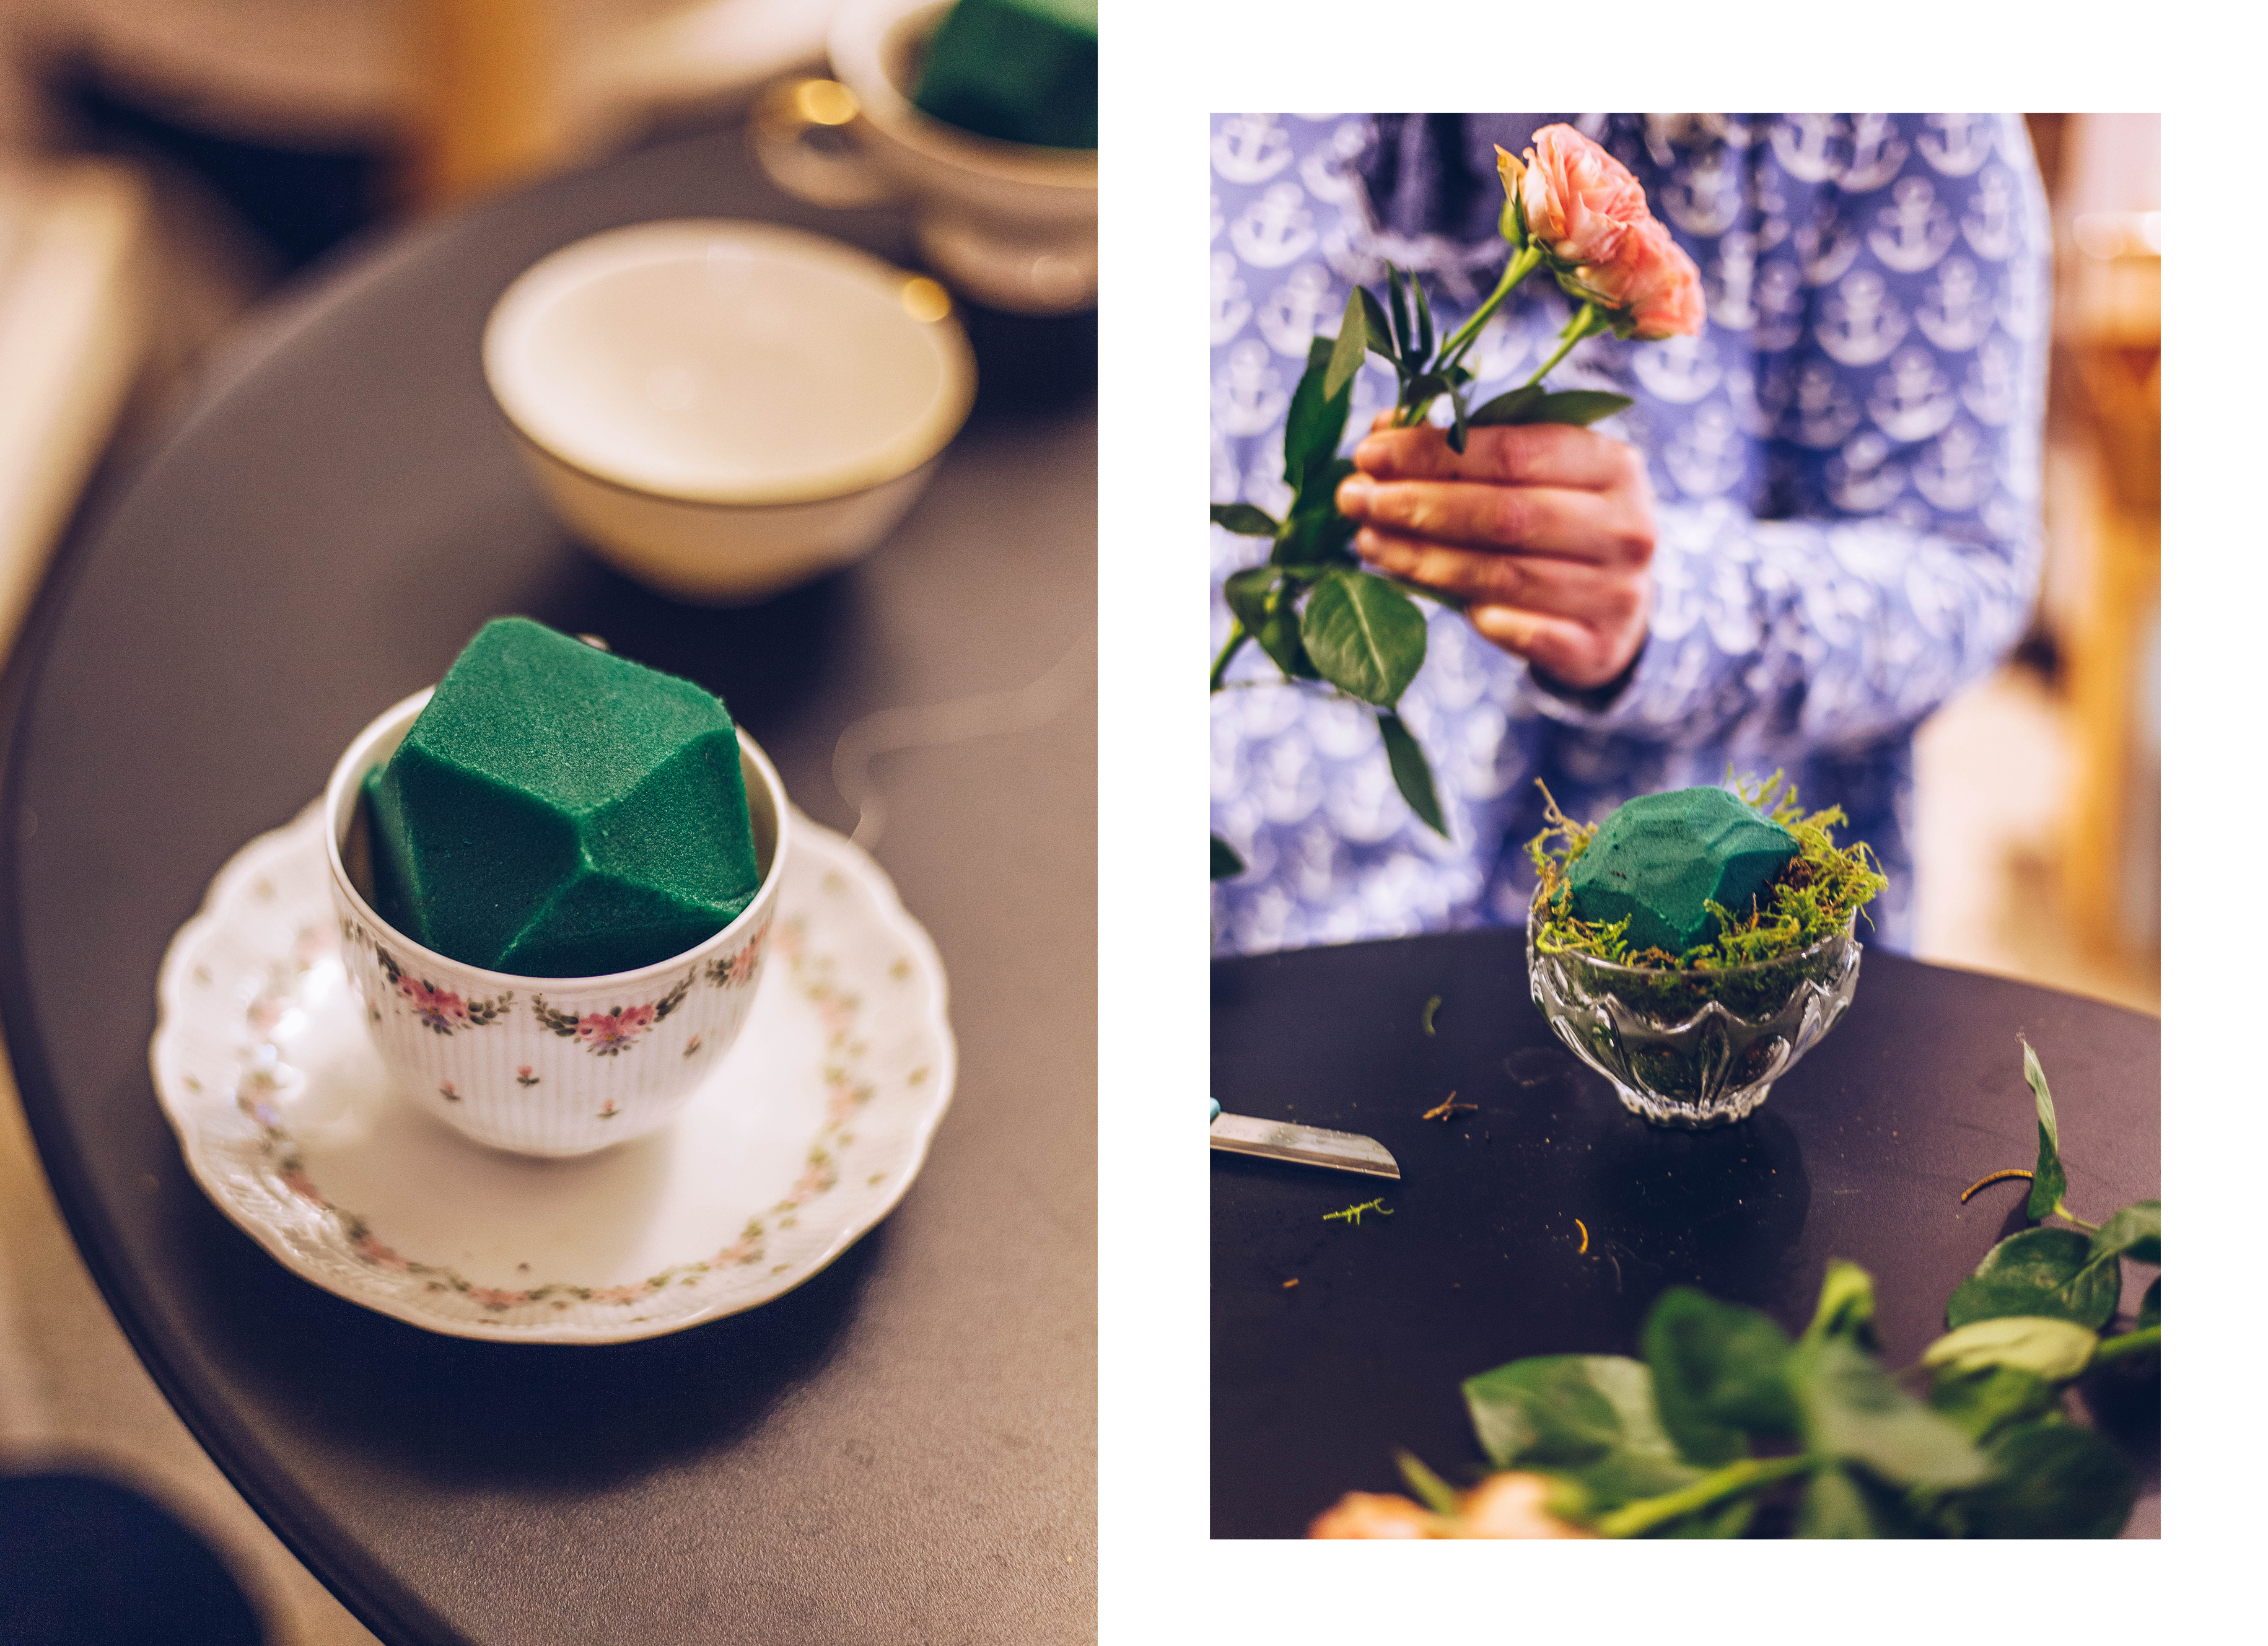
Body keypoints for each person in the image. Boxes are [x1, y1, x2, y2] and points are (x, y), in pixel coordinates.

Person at [1209, 113, 2050, 957]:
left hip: (1666, 976)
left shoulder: (1902, 118)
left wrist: (1670, 606)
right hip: (1243, 941)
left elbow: (1964, 566)